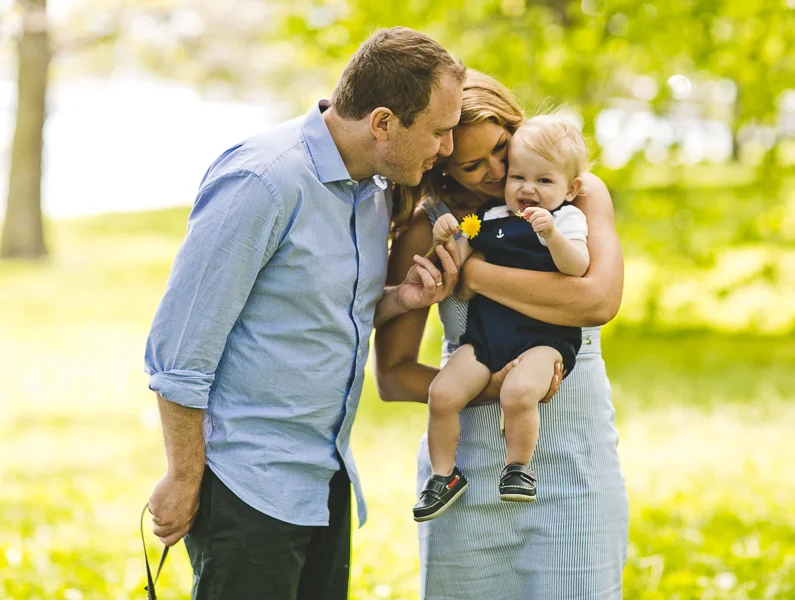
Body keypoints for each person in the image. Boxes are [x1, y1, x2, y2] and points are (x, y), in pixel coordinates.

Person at [143, 27, 465, 599]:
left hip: (323, 479)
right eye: (439, 132)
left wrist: (400, 301)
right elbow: (180, 349)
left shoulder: (371, 189)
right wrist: (183, 476)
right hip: (247, 486)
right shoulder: (263, 180)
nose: (446, 148)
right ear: (384, 122)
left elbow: (321, 311)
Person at [374, 71, 629, 598]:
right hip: (469, 458)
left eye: (502, 148)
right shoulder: (432, 227)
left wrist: (474, 275)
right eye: (472, 164)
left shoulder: (577, 196)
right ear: (440, 161)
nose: (499, 172)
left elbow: (598, 301)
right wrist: (490, 386)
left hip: (573, 455)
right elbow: (393, 376)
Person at [414, 115, 593, 521]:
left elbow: (577, 267)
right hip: (486, 336)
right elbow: (459, 253)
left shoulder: (567, 219)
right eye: (518, 178)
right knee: (442, 394)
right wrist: (448, 236)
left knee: (518, 393)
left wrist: (550, 236)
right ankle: (444, 475)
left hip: (543, 339)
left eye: (544, 181)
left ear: (571, 188)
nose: (528, 189)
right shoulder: (488, 215)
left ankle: (518, 468)